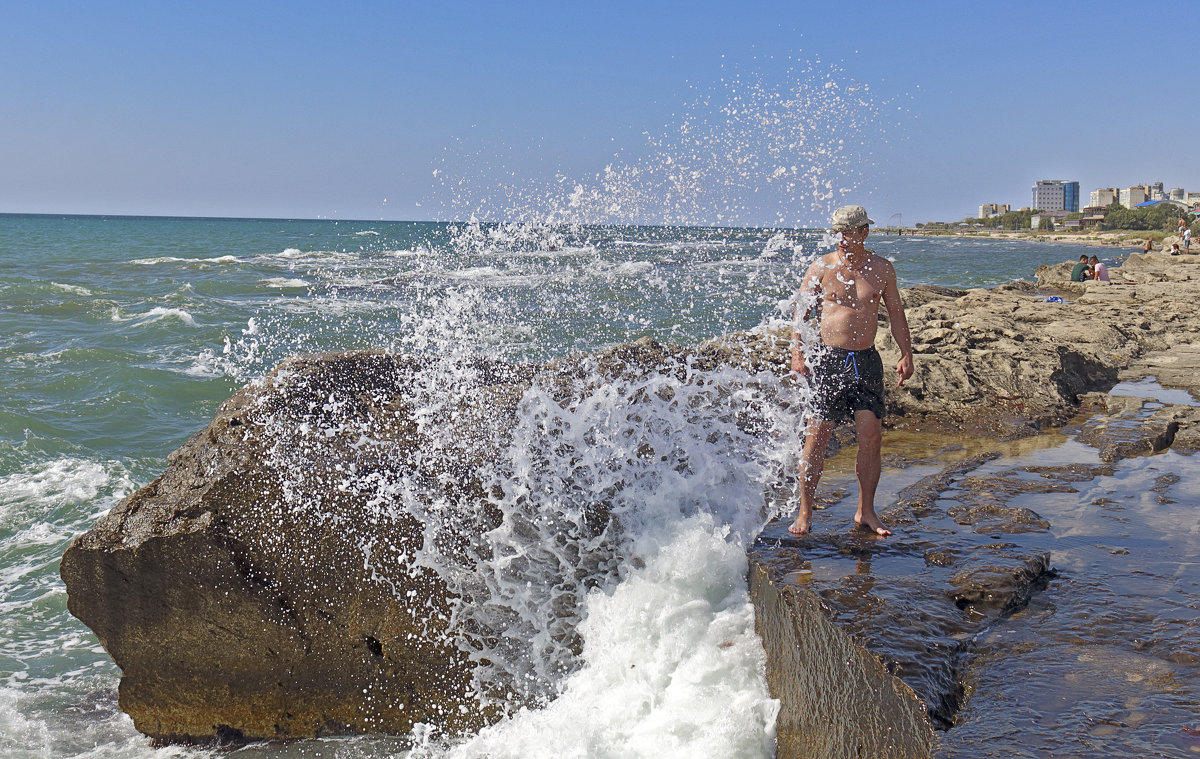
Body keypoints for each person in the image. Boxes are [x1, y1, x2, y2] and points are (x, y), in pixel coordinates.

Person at [788, 205, 914, 538]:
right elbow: (800, 315)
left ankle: (866, 511)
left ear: (864, 232)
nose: (843, 238)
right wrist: (797, 355)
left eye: (849, 232)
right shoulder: (822, 267)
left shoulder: (882, 269)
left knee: (871, 438)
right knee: (817, 439)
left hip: (866, 361)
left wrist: (906, 354)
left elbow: (897, 314)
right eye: (838, 232)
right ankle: (805, 510)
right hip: (830, 360)